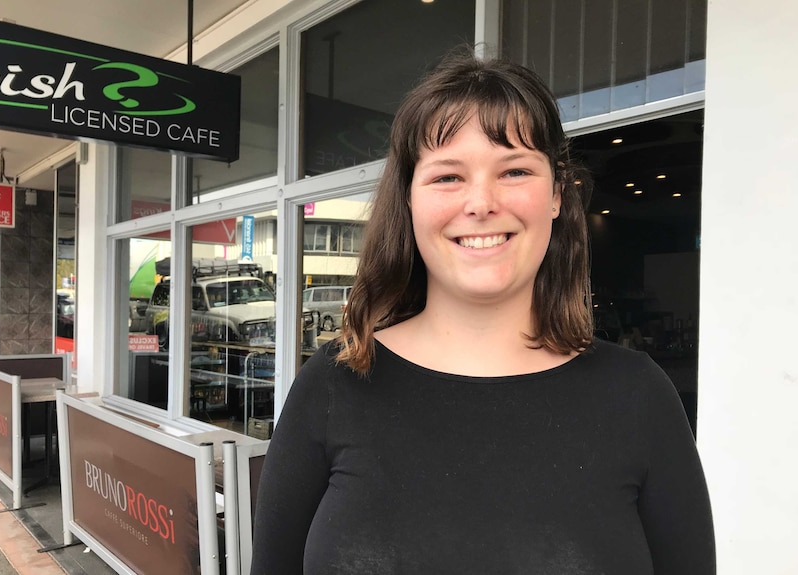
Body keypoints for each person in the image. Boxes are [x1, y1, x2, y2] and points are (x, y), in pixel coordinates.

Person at [250, 49, 715, 574]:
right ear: (408, 200)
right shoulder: (332, 388)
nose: (481, 202)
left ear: (558, 195)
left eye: (514, 170)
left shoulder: (638, 396)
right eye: (448, 177)